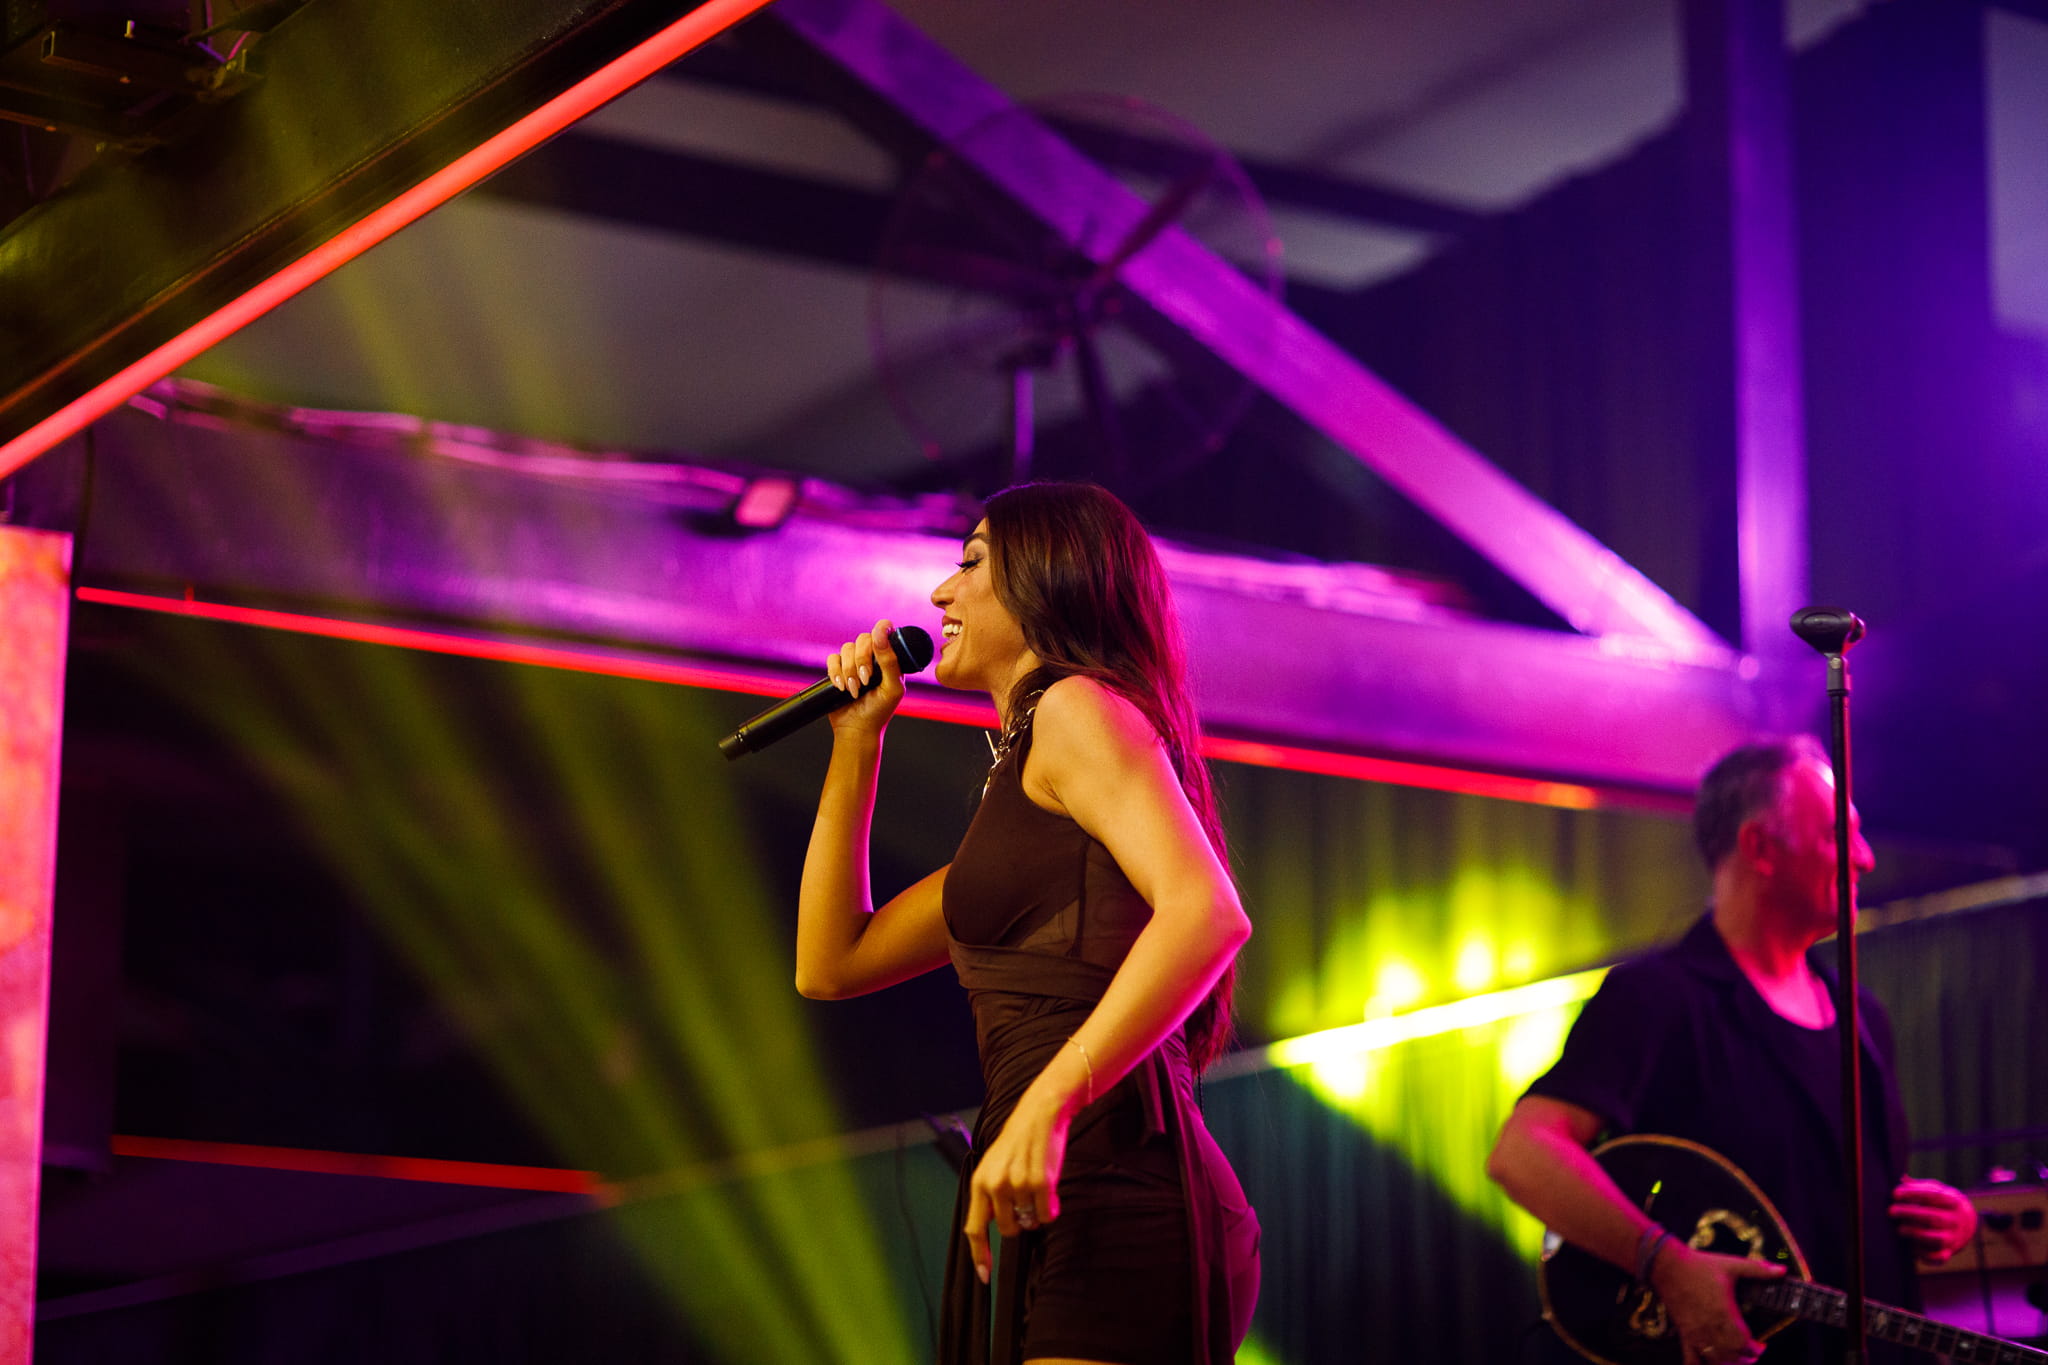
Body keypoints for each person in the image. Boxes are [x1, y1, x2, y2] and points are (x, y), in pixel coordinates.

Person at [794, 482, 1260, 1365]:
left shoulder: (1075, 707)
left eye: (971, 562)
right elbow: (831, 961)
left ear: (1048, 578)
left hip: (1111, 1166)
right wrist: (857, 742)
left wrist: (1047, 1102)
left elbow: (1206, 911)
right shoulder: (1022, 786)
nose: (941, 592)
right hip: (1057, 1170)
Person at [1487, 736, 1979, 1365]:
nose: (1865, 858)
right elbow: (1523, 1152)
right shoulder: (1658, 997)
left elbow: (1813, 1191)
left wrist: (1943, 1218)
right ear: (1760, 848)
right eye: (1838, 836)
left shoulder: (1861, 1014)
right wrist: (1665, 1263)